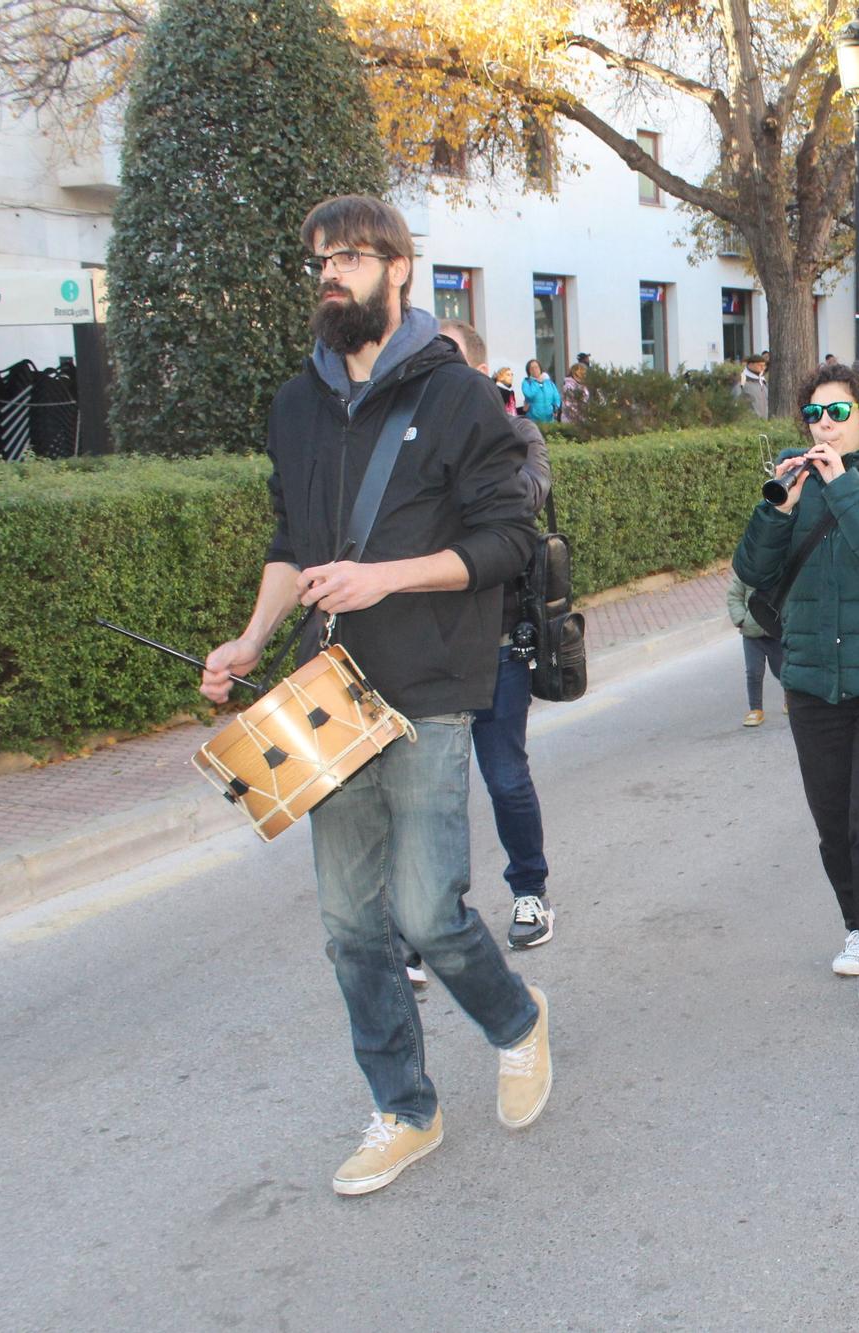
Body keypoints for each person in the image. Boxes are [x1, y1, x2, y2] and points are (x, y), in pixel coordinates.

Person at [200, 195, 549, 1197]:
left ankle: (516, 1021)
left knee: (427, 912)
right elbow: (290, 545)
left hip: (434, 683)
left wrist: (385, 577)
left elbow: (507, 542)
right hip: (329, 694)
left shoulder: (457, 398)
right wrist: (249, 639)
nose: (330, 273)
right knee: (351, 924)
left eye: (350, 256)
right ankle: (404, 1107)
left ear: (400, 271)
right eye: (319, 258)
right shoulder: (295, 405)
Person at [732, 363, 859, 1007]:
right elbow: (753, 570)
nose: (824, 424)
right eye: (815, 413)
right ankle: (858, 927)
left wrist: (842, 485)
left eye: (838, 412)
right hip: (812, 680)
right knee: (833, 823)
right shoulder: (796, 481)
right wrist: (776, 508)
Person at [439, 320, 558, 952]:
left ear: (481, 373)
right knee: (432, 787)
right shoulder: (415, 439)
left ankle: (530, 892)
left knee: (505, 776)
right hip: (427, 644)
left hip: (499, 640)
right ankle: (433, 917)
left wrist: (473, 432)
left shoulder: (517, 432)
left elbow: (528, 496)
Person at [725, 573, 784, 726]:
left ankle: (789, 698)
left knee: (782, 670)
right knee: (753, 672)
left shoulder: (779, 569)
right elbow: (734, 596)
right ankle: (755, 709)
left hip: (775, 632)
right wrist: (741, 619)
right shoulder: (746, 571)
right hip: (751, 633)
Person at [735, 350, 770, 418]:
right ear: (750, 365)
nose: (763, 368)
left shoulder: (764, 382)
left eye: (764, 366)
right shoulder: (742, 382)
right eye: (760, 365)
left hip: (766, 423)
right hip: (750, 423)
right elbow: (735, 403)